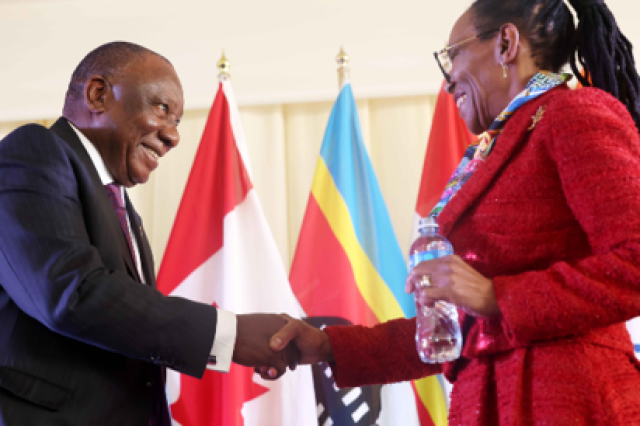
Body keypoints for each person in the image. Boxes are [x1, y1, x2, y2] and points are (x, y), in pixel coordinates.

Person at [265, 0, 640, 424]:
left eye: (453, 55)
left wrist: (496, 296)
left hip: (569, 398)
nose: (448, 83)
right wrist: (328, 345)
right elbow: (461, 329)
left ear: (505, 43)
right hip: (487, 401)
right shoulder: (491, 150)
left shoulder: (574, 114)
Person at [0, 42, 294, 425]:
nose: (173, 136)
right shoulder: (33, 152)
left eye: (177, 121)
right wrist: (230, 335)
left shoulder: (124, 212)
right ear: (98, 94)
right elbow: (71, 293)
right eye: (162, 109)